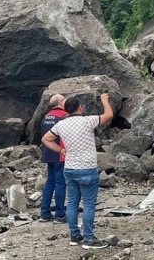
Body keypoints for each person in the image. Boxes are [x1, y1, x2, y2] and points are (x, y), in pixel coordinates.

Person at [42, 94, 114, 249]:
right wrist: (104, 101)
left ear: (66, 109)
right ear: (80, 108)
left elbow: (45, 139)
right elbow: (109, 115)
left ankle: (74, 235)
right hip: (87, 168)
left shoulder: (61, 124)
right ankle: (88, 238)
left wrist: (61, 150)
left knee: (73, 203)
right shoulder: (87, 121)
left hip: (69, 168)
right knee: (88, 204)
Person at [38, 94, 68, 223]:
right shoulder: (64, 116)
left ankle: (44, 213)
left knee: (50, 182)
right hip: (59, 153)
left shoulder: (46, 116)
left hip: (48, 153)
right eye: (64, 99)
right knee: (60, 184)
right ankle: (60, 214)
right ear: (61, 102)